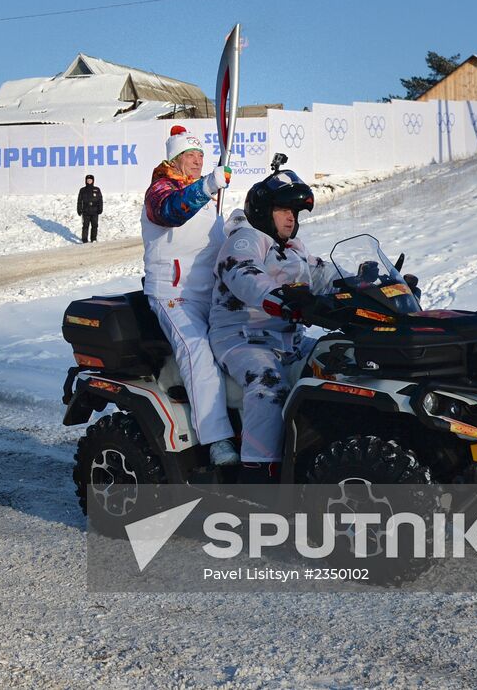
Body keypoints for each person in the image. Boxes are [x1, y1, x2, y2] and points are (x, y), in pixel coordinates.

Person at [209, 172, 336, 481]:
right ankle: (257, 474)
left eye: (294, 212)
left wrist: (370, 285)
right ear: (264, 211)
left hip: (287, 341)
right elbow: (243, 273)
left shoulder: (293, 247)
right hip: (242, 338)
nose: (291, 218)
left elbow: (323, 274)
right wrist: (280, 297)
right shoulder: (245, 238)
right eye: (283, 211)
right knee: (269, 387)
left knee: (336, 363)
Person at [142, 124, 234, 466]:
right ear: (175, 159)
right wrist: (208, 184)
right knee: (198, 352)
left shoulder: (206, 198)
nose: (198, 160)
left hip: (210, 294)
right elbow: (171, 212)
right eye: (190, 155)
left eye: (200, 155)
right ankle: (217, 439)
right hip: (172, 294)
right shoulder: (159, 190)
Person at [76, 175, 103, 243]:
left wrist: (100, 208)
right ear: (86, 181)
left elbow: (100, 200)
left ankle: (93, 238)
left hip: (95, 211)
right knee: (85, 225)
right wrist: (79, 209)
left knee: (95, 225)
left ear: (93, 181)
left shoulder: (97, 189)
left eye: (90, 180)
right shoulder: (82, 190)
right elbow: (79, 201)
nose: (89, 181)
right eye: (88, 180)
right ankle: (84, 239)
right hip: (86, 211)